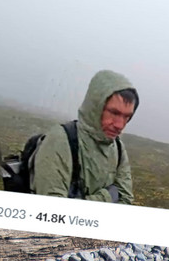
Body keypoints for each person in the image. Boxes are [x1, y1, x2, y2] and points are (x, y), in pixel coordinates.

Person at [31, 70, 138, 204]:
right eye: (114, 113)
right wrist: (108, 196)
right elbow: (54, 213)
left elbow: (126, 200)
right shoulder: (60, 140)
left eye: (127, 116)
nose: (120, 125)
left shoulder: (117, 147)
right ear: (95, 107)